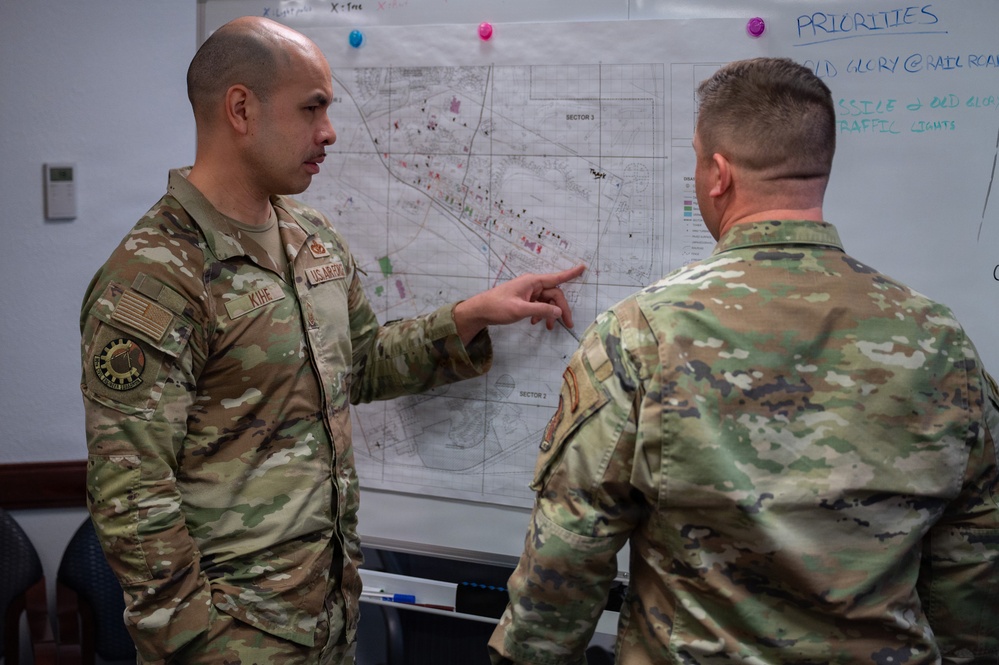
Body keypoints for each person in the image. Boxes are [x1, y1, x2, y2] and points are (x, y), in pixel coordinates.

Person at [79, 16, 584, 664]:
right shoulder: (156, 277)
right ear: (240, 108)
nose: (330, 131)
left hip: (327, 621)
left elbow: (362, 362)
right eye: (311, 107)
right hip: (231, 641)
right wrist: (196, 643)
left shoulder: (310, 238)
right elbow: (131, 493)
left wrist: (474, 314)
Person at [487, 57, 999, 664]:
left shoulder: (642, 335)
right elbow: (974, 564)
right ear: (820, 168)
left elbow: (569, 552)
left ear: (718, 174)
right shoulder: (939, 340)